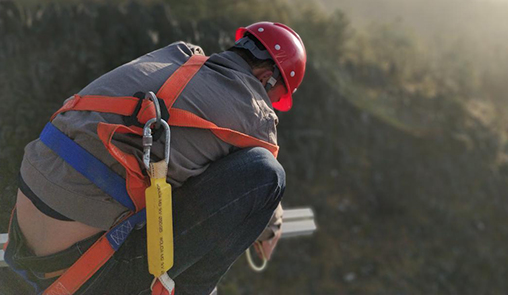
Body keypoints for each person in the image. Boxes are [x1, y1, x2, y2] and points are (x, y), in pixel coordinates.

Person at [4, 21, 307, 295]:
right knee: (268, 173)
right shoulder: (257, 116)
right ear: (266, 78)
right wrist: (269, 230)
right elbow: (257, 190)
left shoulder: (175, 55)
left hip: (21, 241)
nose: (272, 104)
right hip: (80, 272)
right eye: (275, 96)